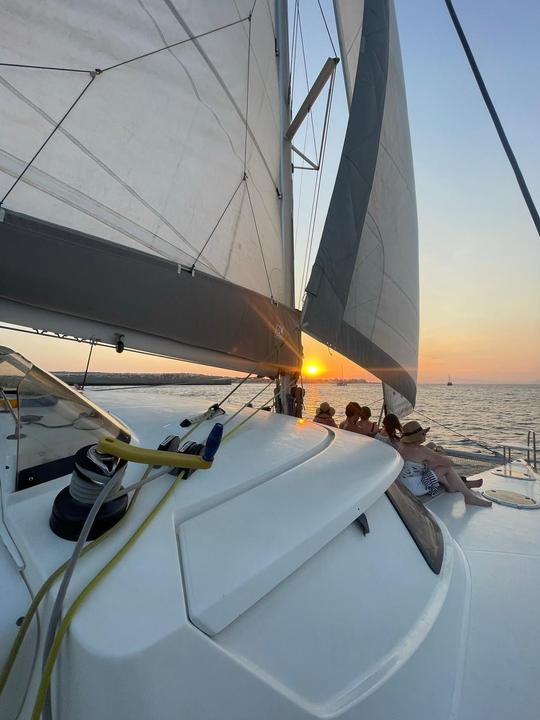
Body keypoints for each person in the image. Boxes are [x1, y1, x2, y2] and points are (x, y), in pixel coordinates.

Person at [398, 421, 491, 507]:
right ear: (418, 436)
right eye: (423, 433)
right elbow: (449, 462)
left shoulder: (401, 446)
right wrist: (440, 452)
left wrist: (433, 456)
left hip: (403, 484)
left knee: (433, 457)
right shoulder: (421, 450)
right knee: (446, 468)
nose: (425, 435)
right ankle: (468, 497)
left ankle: (452, 486)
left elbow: (416, 462)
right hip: (415, 488)